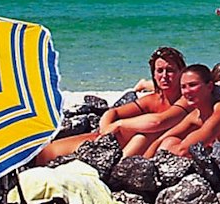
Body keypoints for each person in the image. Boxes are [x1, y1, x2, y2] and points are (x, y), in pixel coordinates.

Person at [34, 46, 187, 164]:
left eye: (170, 70)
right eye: (159, 71)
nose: (164, 76)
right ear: (153, 74)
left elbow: (158, 121)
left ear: (182, 72)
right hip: (109, 142)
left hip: (124, 151)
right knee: (44, 152)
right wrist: (106, 129)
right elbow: (112, 112)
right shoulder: (152, 99)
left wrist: (119, 125)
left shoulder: (187, 99)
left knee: (142, 135)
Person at [146, 64, 220, 157]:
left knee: (172, 144)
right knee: (169, 141)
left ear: (209, 86)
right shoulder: (196, 115)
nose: (187, 91)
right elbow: (159, 140)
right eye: (183, 87)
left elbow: (183, 151)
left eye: (192, 85)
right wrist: (144, 163)